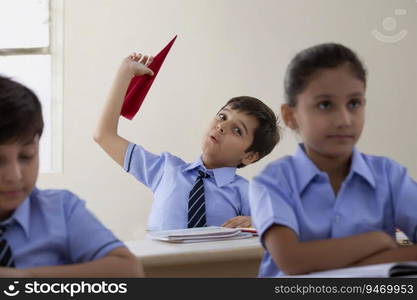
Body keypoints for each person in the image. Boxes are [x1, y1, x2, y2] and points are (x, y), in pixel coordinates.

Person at [249, 43, 417, 277]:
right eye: (325, 105)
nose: (344, 119)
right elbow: (291, 260)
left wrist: (350, 264)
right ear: (290, 116)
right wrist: (376, 240)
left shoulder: (389, 175)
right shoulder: (273, 181)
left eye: (354, 103)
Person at [94, 53, 280, 231]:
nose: (222, 126)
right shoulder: (165, 170)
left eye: (237, 130)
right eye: (222, 116)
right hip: (158, 263)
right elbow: (104, 135)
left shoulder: (247, 192)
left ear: (249, 156)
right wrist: (124, 73)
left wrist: (257, 222)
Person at [0, 75, 143, 277]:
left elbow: (129, 271)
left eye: (26, 156)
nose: (14, 176)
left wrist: (25, 280)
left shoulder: (61, 209)